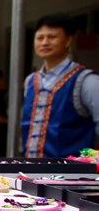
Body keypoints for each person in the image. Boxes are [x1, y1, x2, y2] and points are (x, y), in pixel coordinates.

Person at [22, 13, 99, 158]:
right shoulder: (30, 81)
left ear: (68, 40)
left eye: (52, 37)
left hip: (71, 176)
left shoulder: (86, 81)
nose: (44, 43)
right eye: (40, 38)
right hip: (29, 172)